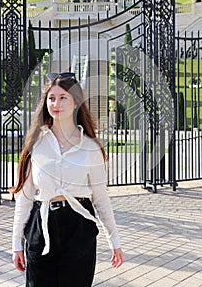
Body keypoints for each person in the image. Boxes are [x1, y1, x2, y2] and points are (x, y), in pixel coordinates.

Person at [12, 72, 123, 287]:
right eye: (51, 98)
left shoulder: (90, 147)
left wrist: (114, 241)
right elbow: (24, 197)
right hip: (42, 225)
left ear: (76, 103)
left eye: (63, 98)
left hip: (78, 226)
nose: (56, 103)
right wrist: (17, 243)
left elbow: (100, 199)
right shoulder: (36, 143)